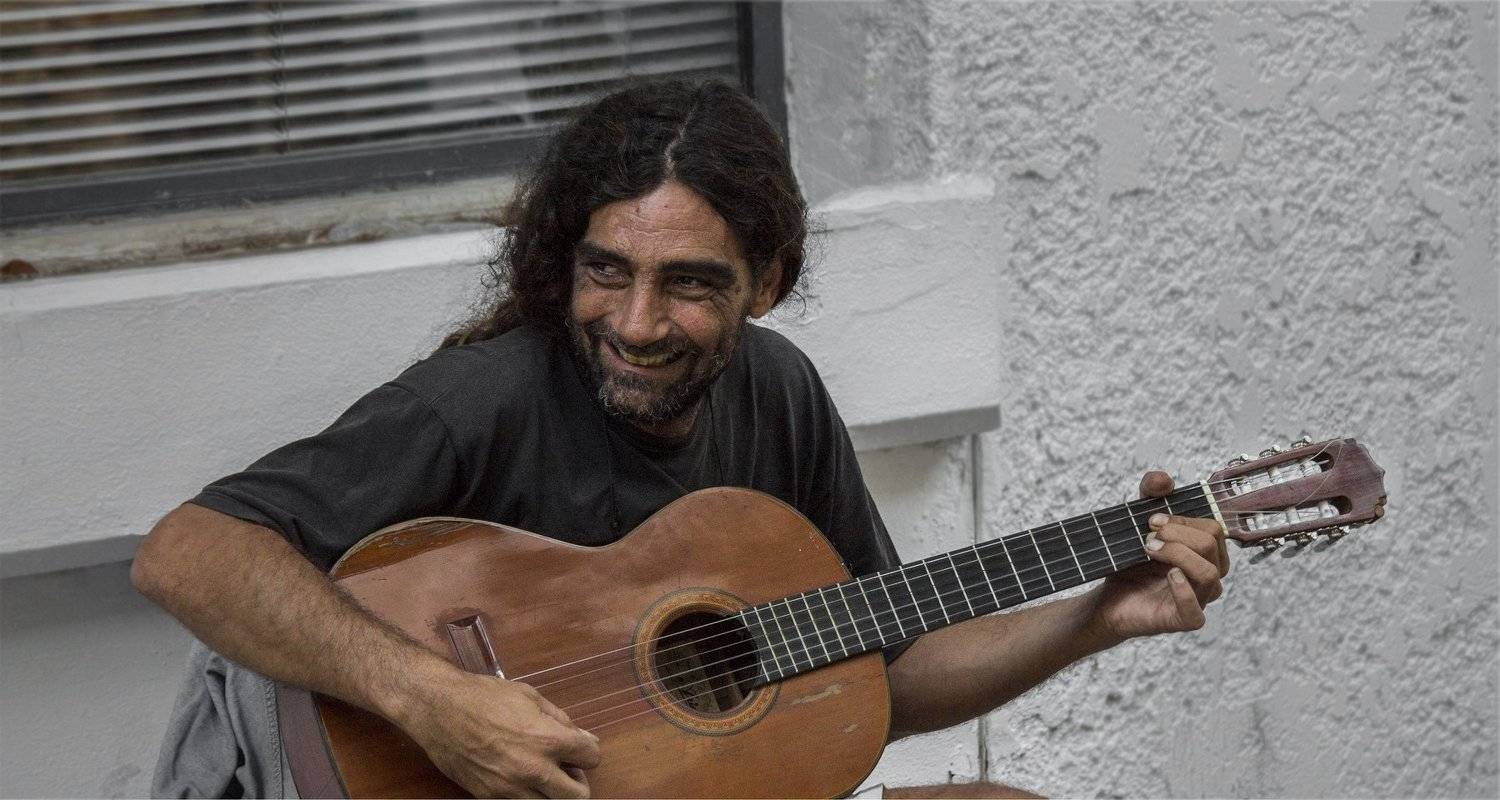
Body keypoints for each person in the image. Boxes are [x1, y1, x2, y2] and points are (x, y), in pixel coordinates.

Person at [132, 79, 1229, 799]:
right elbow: (187, 550)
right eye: (608, 271)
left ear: (768, 282)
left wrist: (1095, 614)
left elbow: (879, 671)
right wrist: (437, 699)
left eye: (689, 284)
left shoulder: (780, 395)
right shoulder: (486, 398)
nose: (637, 322)